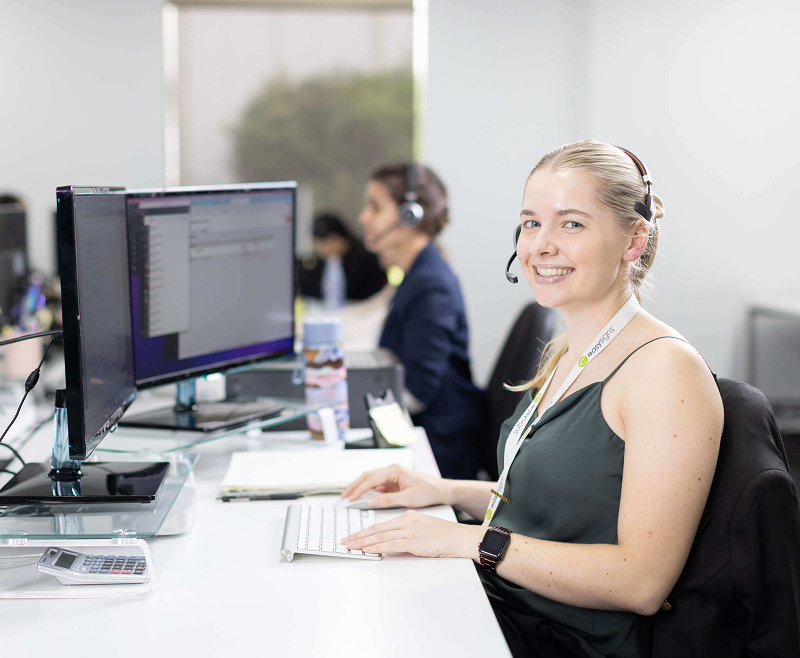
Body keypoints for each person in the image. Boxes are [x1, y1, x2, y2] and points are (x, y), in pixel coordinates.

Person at [340, 141, 724, 658]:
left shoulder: (665, 372)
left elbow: (641, 582)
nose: (540, 245)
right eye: (530, 223)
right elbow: (559, 504)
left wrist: (470, 541)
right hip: (506, 605)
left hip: (563, 639)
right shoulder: (569, 351)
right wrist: (443, 490)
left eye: (571, 224)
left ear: (634, 239)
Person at [357, 163, 486, 480]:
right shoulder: (417, 273)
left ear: (408, 216)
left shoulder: (431, 285)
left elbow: (416, 392)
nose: (363, 217)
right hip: (426, 436)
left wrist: (344, 409)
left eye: (375, 207)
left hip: (441, 449)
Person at [296, 212, 386, 302]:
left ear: (341, 237)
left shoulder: (366, 260)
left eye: (329, 240)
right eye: (320, 242)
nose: (324, 247)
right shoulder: (315, 263)